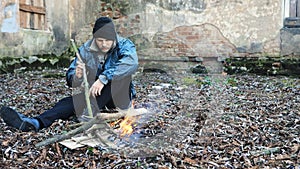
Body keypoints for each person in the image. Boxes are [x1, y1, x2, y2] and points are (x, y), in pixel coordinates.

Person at [0, 16, 139, 132]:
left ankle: (87, 112)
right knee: (70, 101)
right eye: (100, 40)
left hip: (119, 96)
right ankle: (36, 122)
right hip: (95, 94)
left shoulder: (124, 44)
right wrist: (76, 76)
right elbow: (71, 77)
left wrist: (103, 78)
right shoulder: (85, 49)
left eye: (108, 40)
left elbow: (131, 63)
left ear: (114, 37)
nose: (104, 44)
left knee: (120, 77)